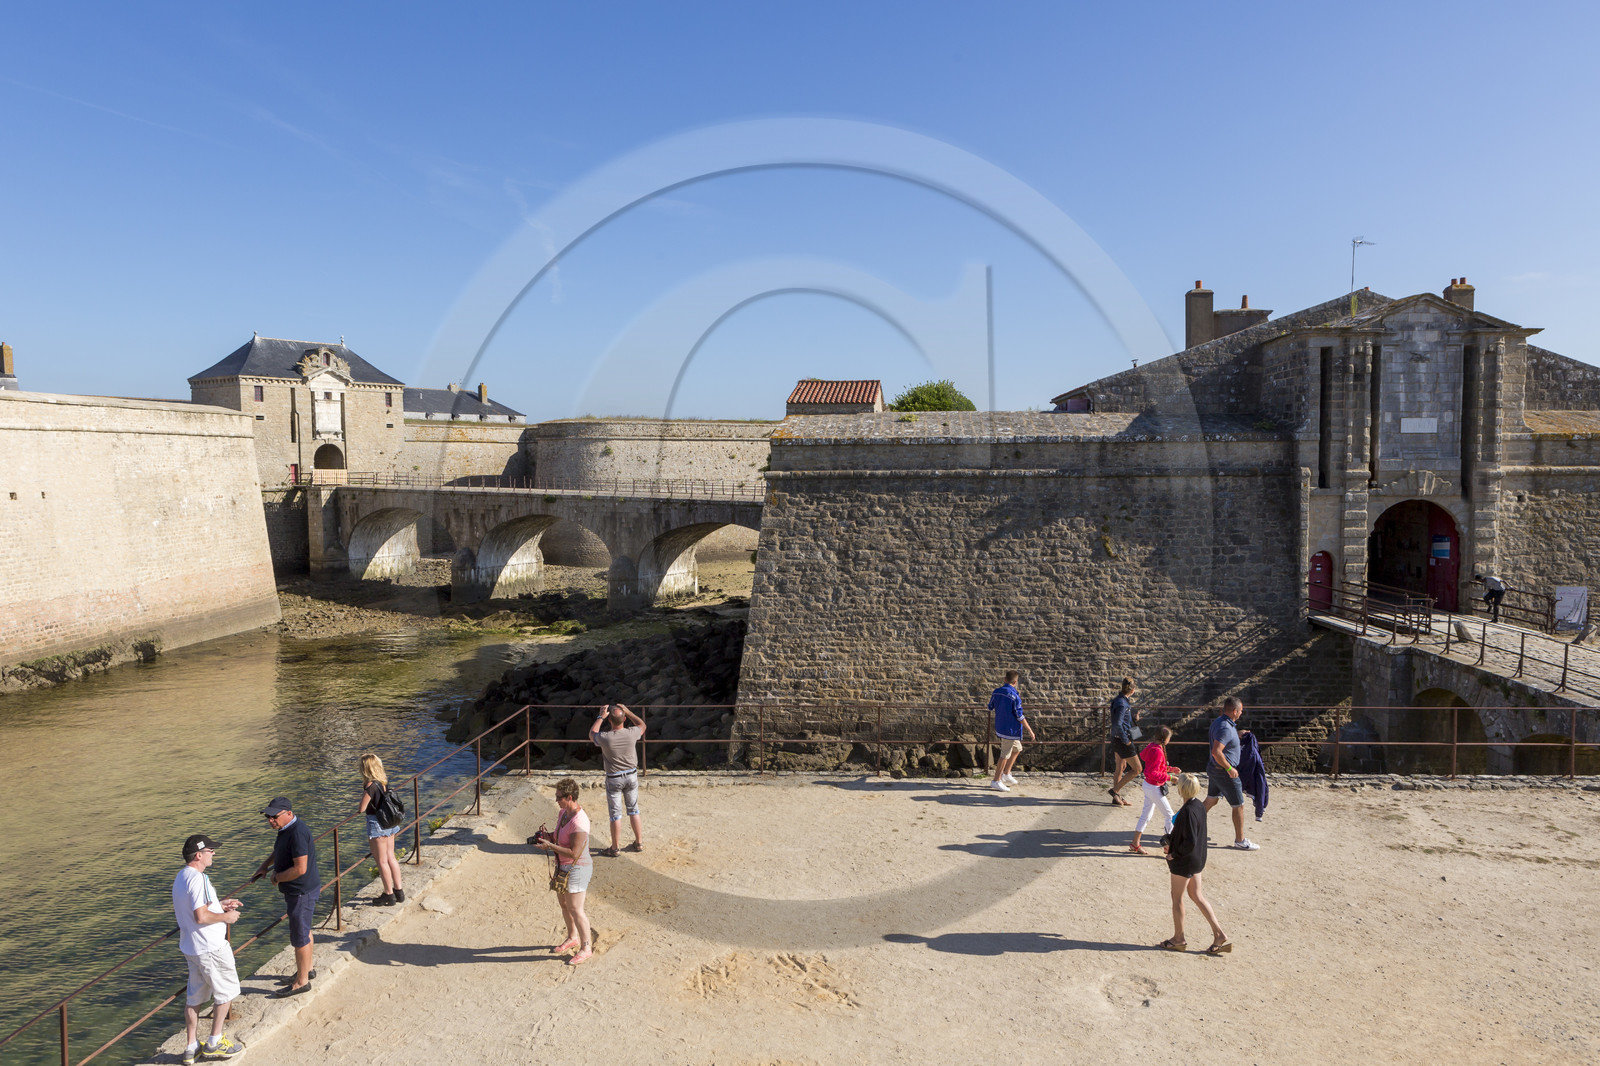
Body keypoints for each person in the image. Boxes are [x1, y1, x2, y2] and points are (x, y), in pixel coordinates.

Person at [172, 834, 245, 1062]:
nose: (214, 853)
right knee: (226, 992)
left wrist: (219, 904)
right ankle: (214, 1042)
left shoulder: (181, 877)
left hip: (191, 948)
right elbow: (201, 916)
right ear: (198, 855)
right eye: (210, 850)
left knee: (194, 998)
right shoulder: (199, 879)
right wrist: (226, 916)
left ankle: (191, 1047)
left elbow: (197, 907)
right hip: (210, 947)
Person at [252, 797, 321, 997]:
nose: (270, 820)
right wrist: (265, 866)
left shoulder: (297, 832)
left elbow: (300, 868)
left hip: (300, 891)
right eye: (268, 817)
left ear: (288, 813)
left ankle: (302, 982)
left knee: (299, 937)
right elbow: (279, 850)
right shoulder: (286, 829)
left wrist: (277, 877)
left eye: (274, 816)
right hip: (301, 890)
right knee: (304, 930)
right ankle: (307, 970)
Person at [1159, 773, 1230, 955]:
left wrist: (1173, 854)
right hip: (1197, 859)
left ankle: (1178, 938)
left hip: (1185, 861)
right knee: (1197, 896)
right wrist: (1170, 840)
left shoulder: (1188, 811)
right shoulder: (1198, 805)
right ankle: (1219, 934)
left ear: (1181, 789)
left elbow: (1188, 840)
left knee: (1177, 898)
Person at [533, 777, 594, 965]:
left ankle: (586, 947)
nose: (556, 800)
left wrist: (550, 846)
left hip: (578, 868)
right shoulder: (563, 813)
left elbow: (574, 852)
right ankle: (572, 937)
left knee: (576, 908)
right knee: (564, 905)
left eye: (559, 797)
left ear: (569, 797)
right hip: (563, 866)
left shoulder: (579, 822)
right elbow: (559, 837)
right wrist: (547, 837)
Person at [589, 703, 646, 857]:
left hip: (614, 778)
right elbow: (642, 724)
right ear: (625, 719)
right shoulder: (632, 732)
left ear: (610, 721)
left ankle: (615, 848)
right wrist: (628, 711)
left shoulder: (605, 738)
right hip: (632, 776)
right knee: (634, 810)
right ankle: (639, 843)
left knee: (615, 815)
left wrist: (601, 716)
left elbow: (592, 733)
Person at [1204, 698, 1260, 850]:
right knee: (1239, 805)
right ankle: (1240, 840)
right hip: (1224, 772)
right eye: (1241, 711)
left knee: (1211, 800)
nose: (1242, 713)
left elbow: (1224, 738)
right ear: (1235, 711)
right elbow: (1217, 752)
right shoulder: (1225, 728)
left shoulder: (1221, 722)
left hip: (1215, 769)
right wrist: (1229, 769)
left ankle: (1185, 824)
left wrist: (1237, 734)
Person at [357, 753, 405, 905]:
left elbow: (362, 808)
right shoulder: (383, 782)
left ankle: (388, 894)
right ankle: (399, 891)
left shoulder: (370, 787)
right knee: (391, 857)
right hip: (389, 824)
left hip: (377, 825)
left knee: (382, 861)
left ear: (365, 769)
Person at [1129, 726, 1176, 854]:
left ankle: (1135, 843)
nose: (1169, 740)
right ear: (1164, 739)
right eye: (1169, 738)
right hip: (1154, 787)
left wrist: (1170, 769)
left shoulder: (1151, 747)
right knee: (1169, 816)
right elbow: (1153, 772)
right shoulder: (1158, 751)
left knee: (1146, 815)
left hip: (1149, 785)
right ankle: (1168, 846)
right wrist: (1170, 777)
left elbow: (1151, 763)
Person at [988, 671, 1035, 792]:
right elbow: (1019, 716)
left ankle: (1006, 774)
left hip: (1001, 727)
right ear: (1015, 682)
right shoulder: (1015, 696)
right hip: (1010, 730)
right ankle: (996, 781)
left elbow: (990, 707)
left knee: (1017, 749)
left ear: (1005, 679)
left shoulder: (996, 692)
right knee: (1004, 755)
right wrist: (1029, 730)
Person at [1107, 677, 1143, 806]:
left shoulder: (1120, 700)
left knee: (1120, 768)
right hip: (1122, 741)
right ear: (1132, 690)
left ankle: (1116, 798)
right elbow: (1117, 724)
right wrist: (1126, 740)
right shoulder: (1122, 703)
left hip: (1116, 739)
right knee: (1137, 769)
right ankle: (1115, 791)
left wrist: (1133, 718)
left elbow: (1120, 721)